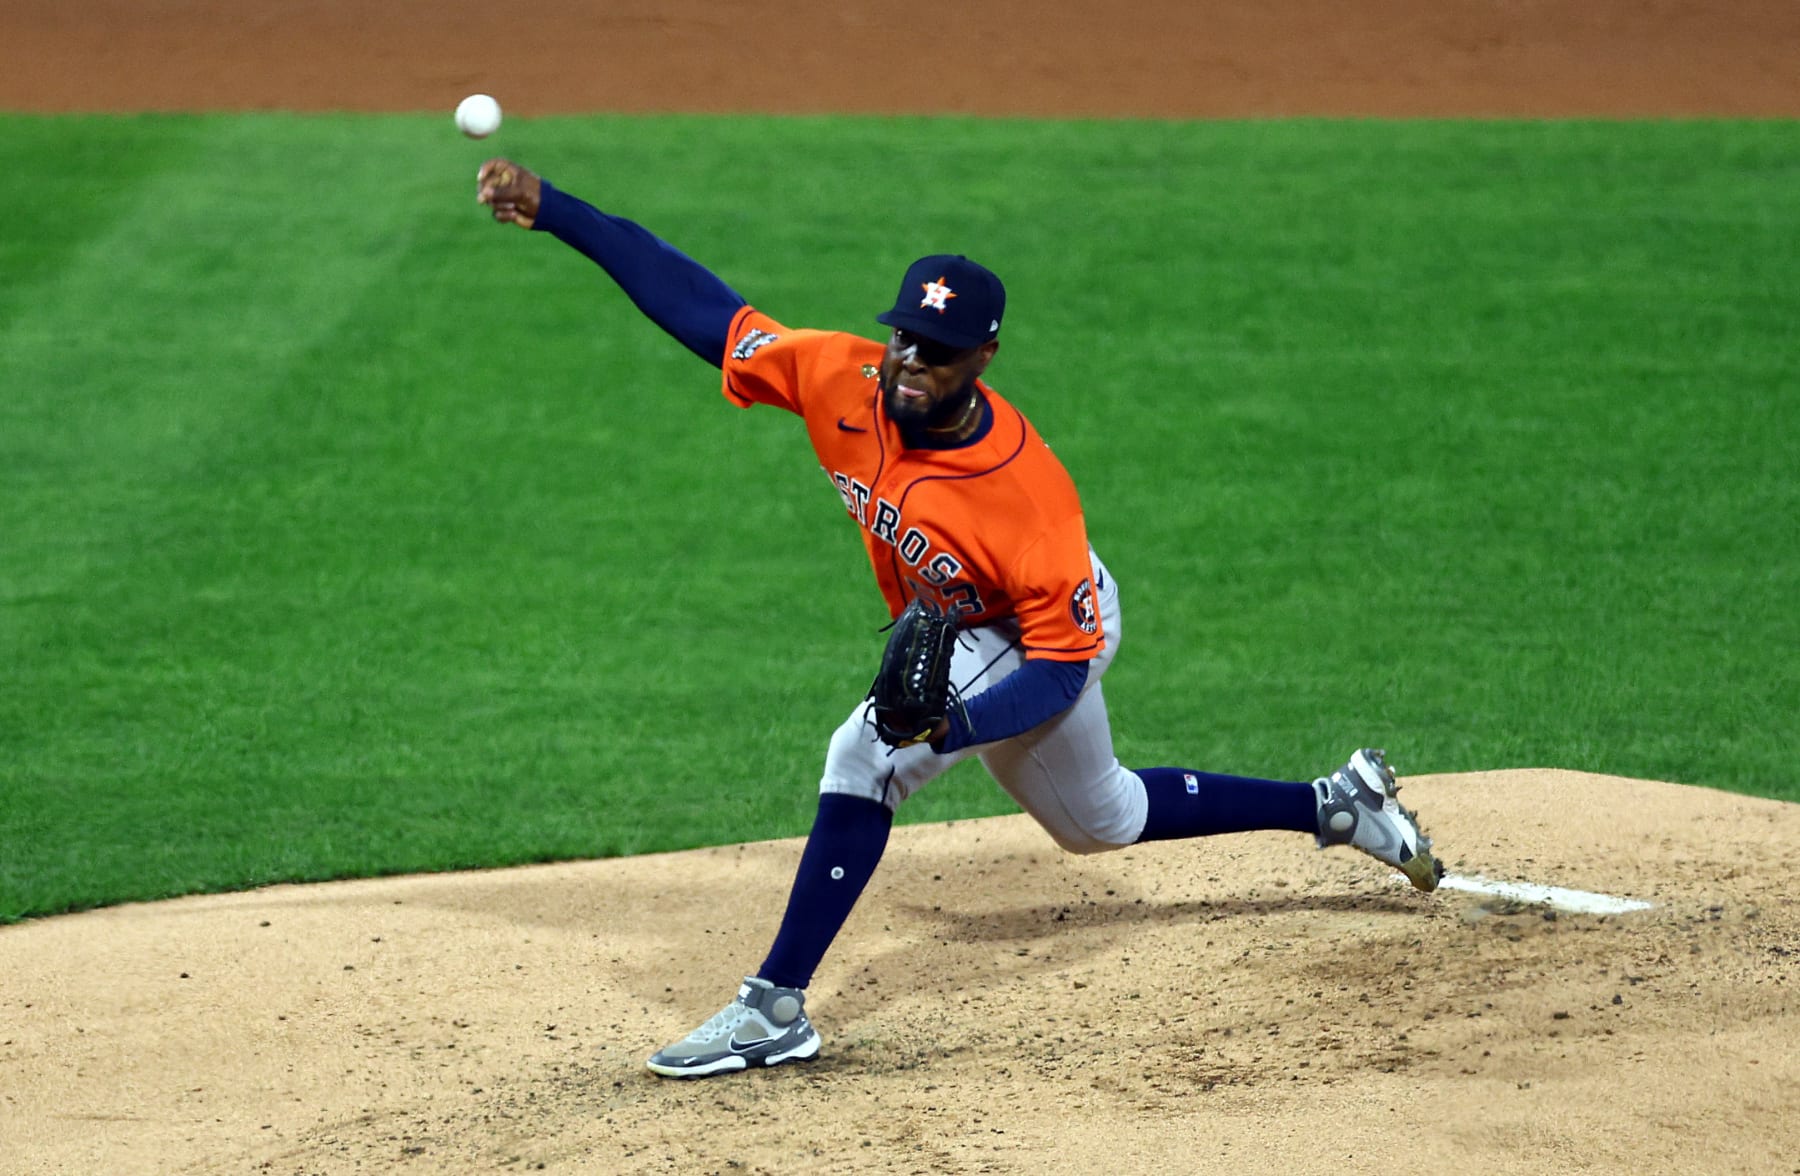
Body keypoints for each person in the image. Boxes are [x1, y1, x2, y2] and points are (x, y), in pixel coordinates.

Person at [474, 158, 1444, 1079]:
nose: (907, 363)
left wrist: (958, 729)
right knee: (1100, 820)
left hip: (1045, 630)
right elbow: (702, 308)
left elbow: (1063, 664)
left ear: (982, 356)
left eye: (935, 354)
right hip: (971, 624)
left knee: (866, 755)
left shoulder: (1027, 495)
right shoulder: (839, 378)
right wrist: (555, 208)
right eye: (902, 338)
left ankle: (774, 1007)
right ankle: (1336, 803)